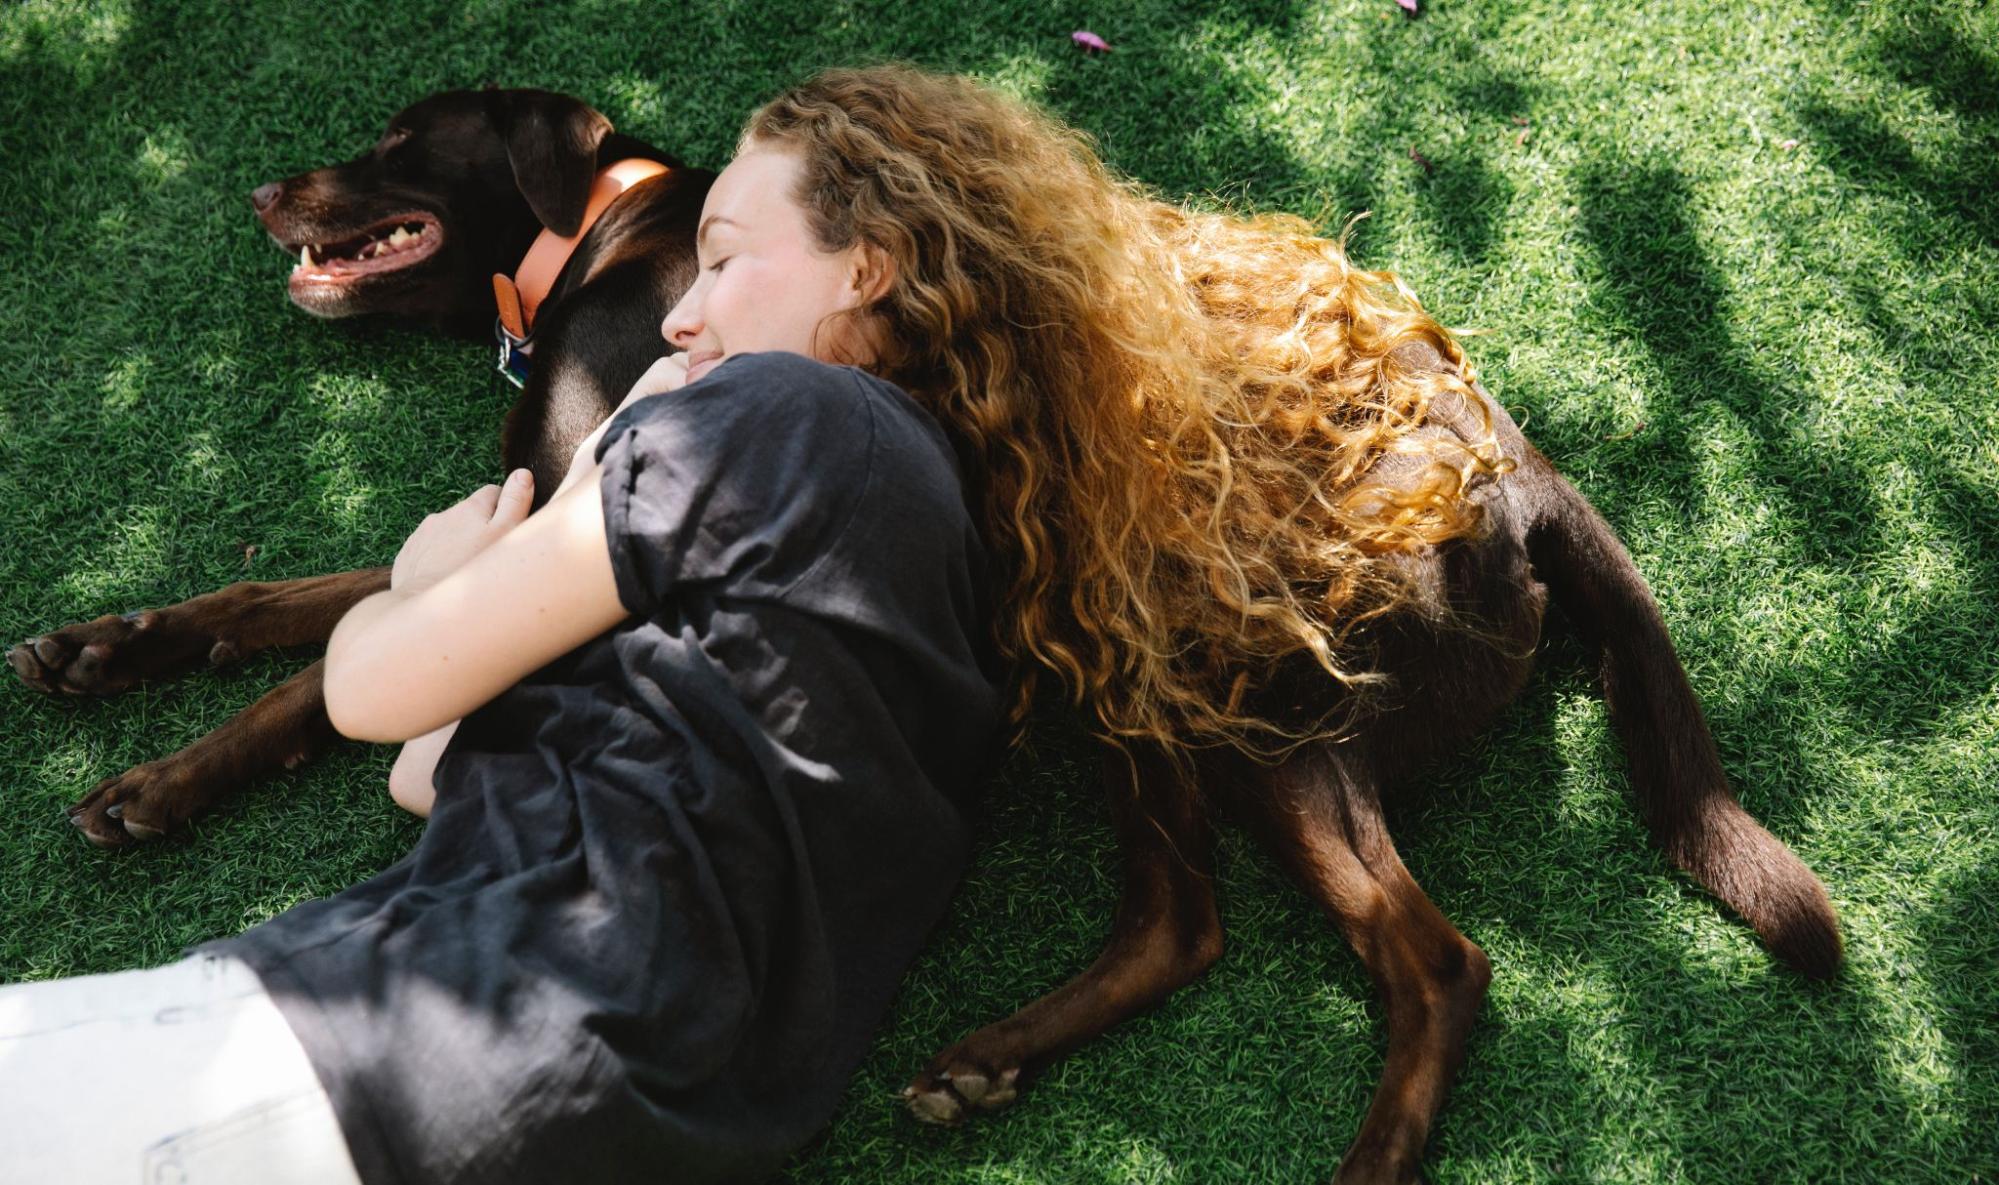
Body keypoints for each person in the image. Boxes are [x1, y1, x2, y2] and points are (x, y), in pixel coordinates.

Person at [2, 62, 1499, 1185]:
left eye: (720, 255)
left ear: (872, 265)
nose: (679, 312)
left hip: (400, 1037)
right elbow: (429, 776)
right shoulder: (966, 619)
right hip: (618, 1125)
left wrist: (425, 577)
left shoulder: (778, 412)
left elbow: (379, 700)